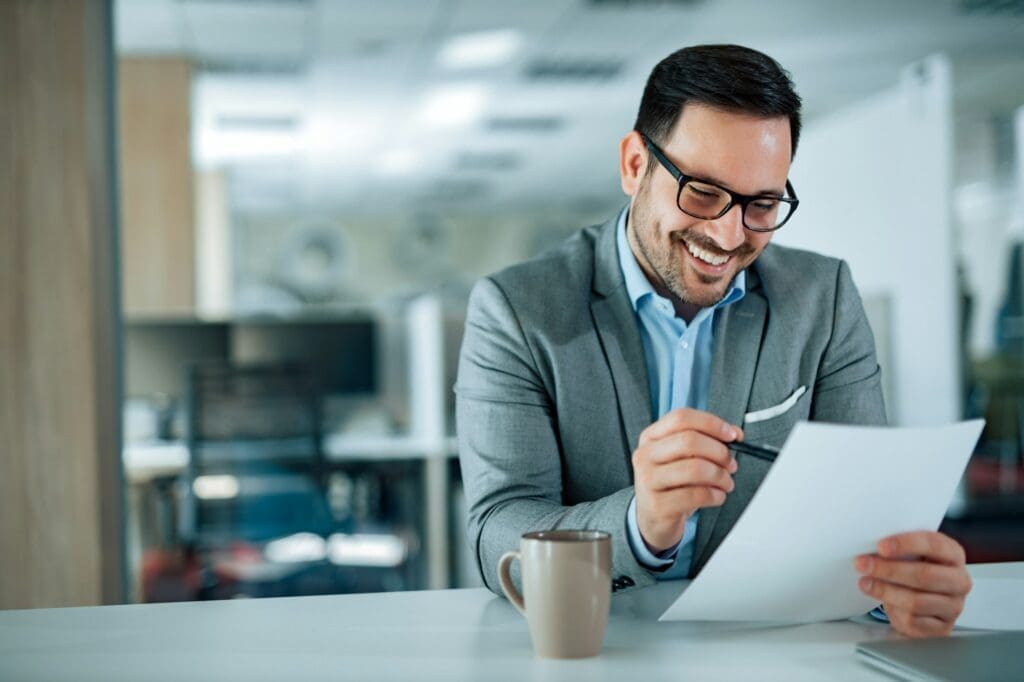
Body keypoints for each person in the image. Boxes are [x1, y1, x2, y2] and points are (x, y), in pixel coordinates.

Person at [455, 44, 971, 639]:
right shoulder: (518, 311)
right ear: (633, 165)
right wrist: (639, 524)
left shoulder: (821, 298)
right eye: (701, 191)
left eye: (762, 204)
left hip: (770, 650)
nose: (728, 235)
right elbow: (494, 531)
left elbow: (863, 518)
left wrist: (902, 588)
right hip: (598, 648)